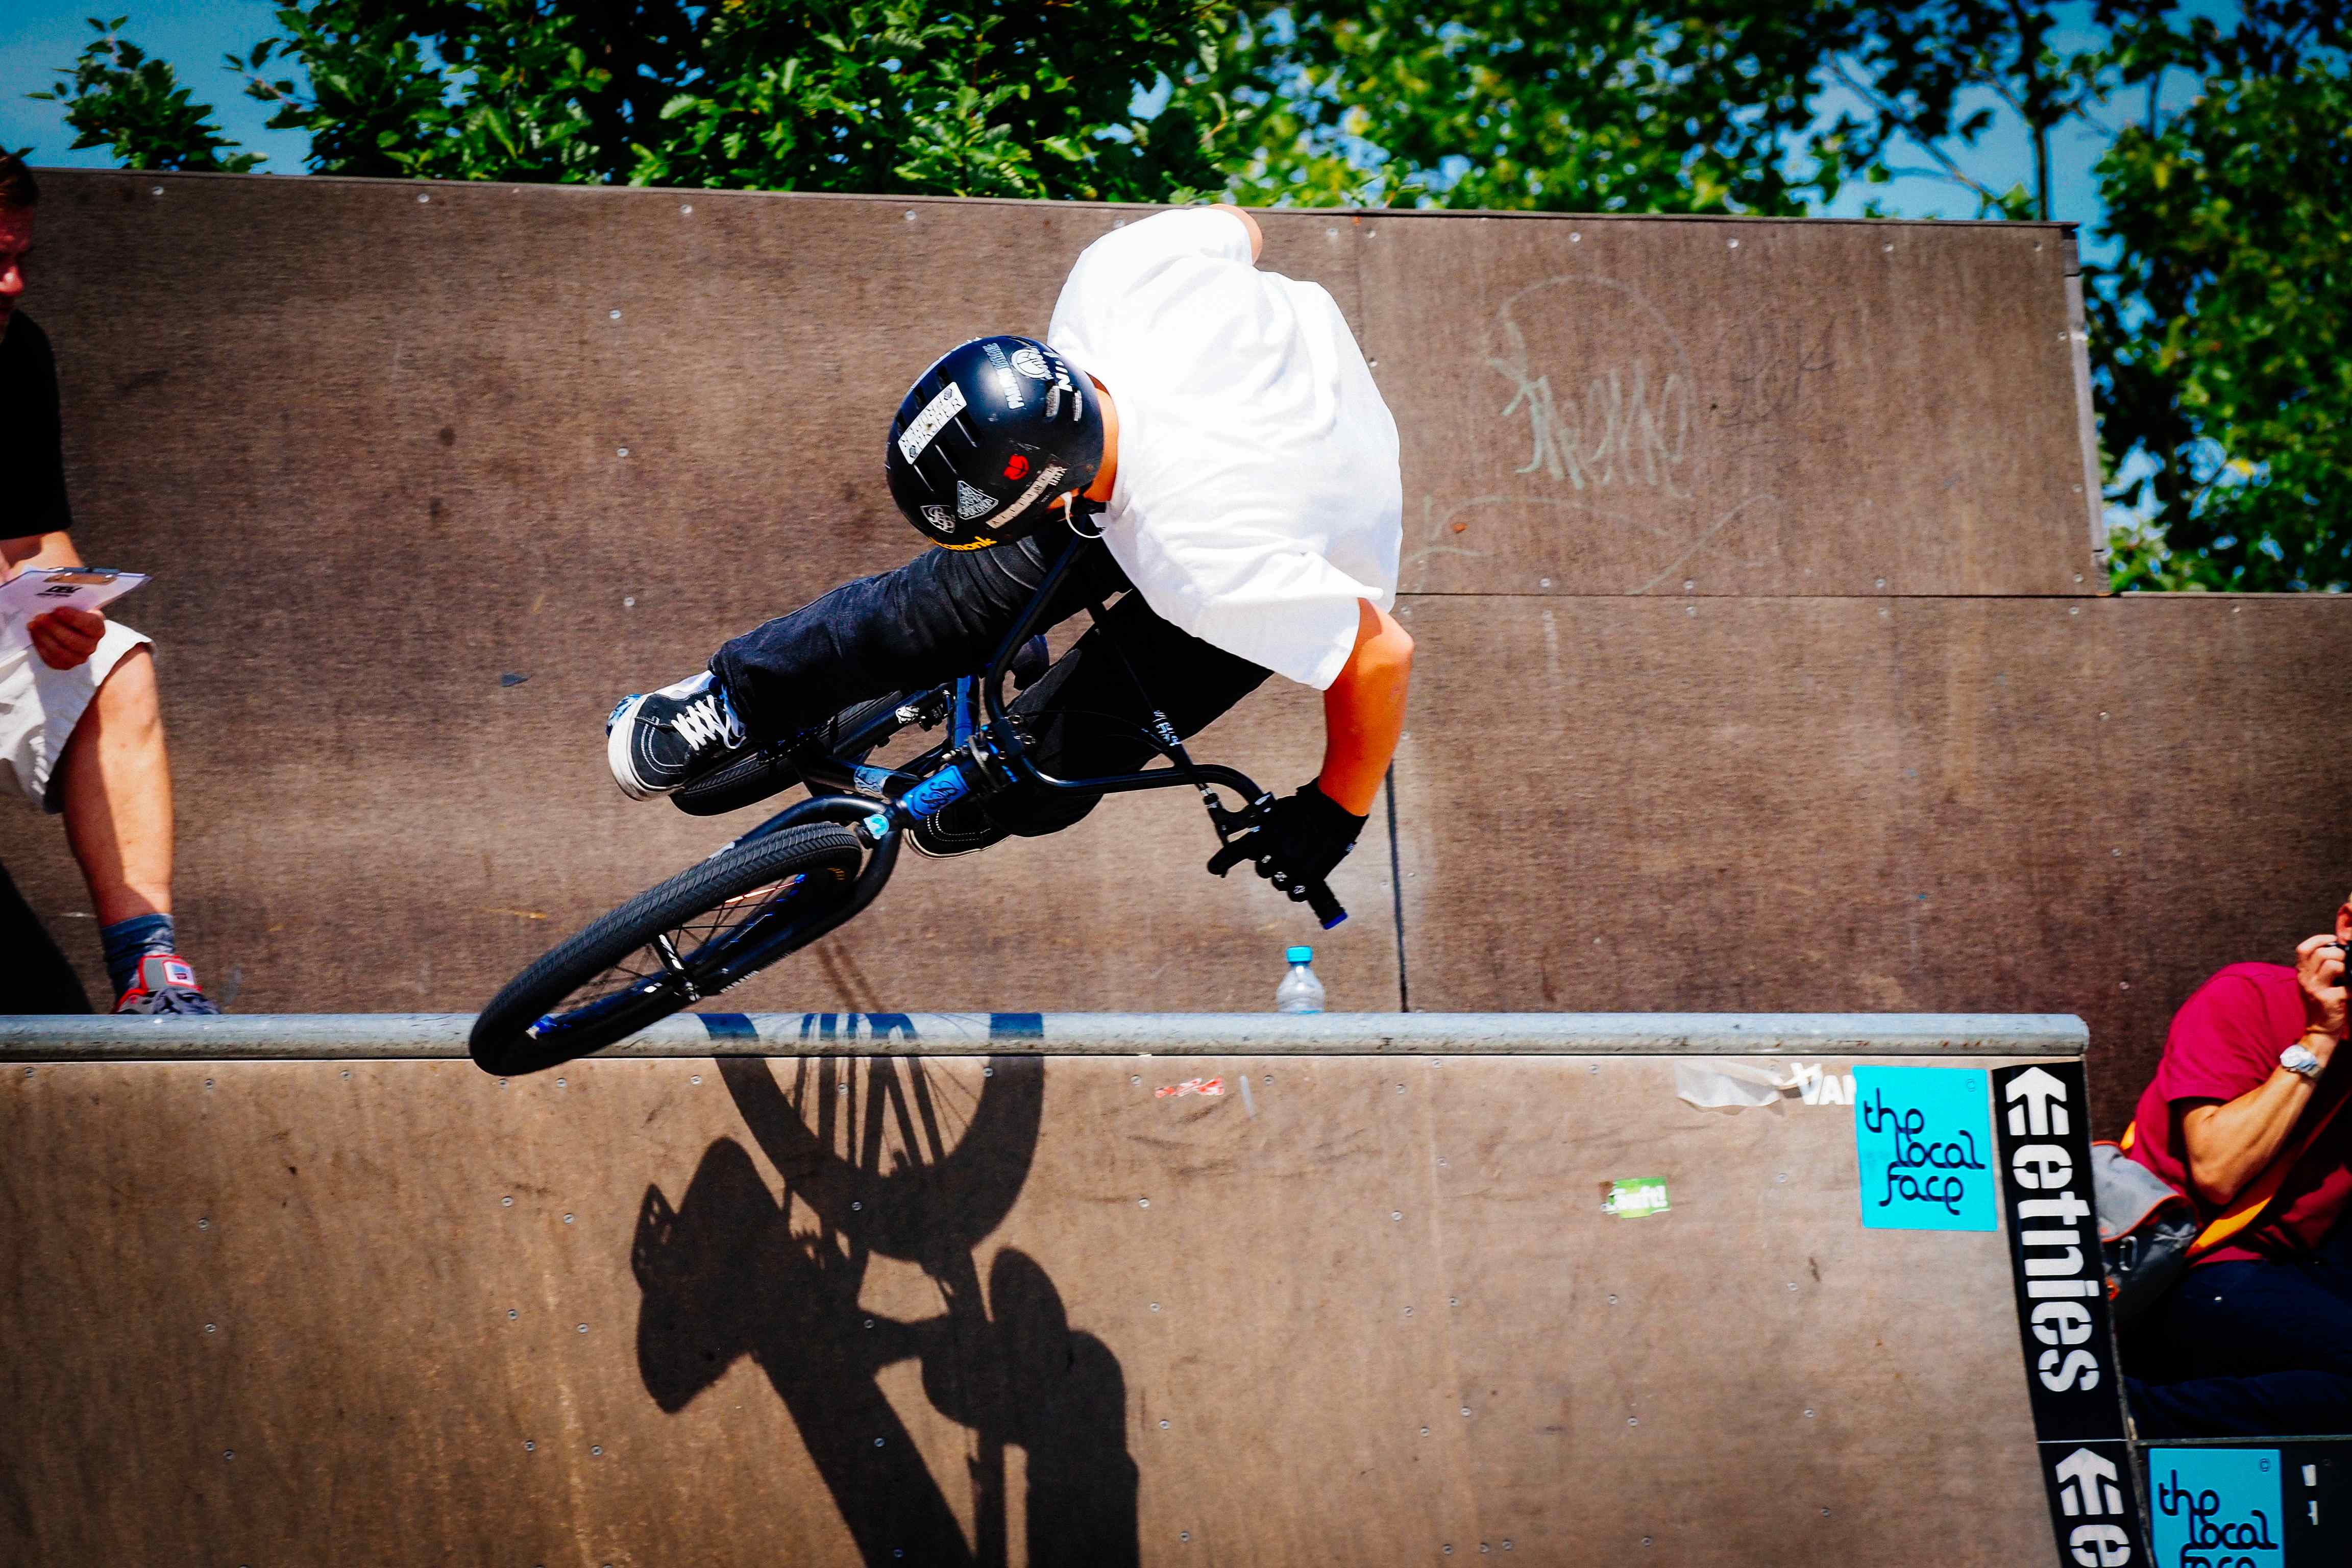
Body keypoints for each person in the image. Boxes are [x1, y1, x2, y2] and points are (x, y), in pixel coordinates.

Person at [606, 204, 1411, 898]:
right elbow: (1241, 230)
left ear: (1052, 496)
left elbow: (1380, 655)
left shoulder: (1217, 567)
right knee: (933, 610)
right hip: (1207, 455)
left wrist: (1335, 811)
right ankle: (734, 699)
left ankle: (997, 777)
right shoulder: (1115, 281)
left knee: (1061, 761)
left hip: (1296, 540)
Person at [0, 154, 217, 1014]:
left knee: (117, 665)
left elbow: (32, 538)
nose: (13, 283)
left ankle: (149, 972)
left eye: (20, 258)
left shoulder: (17, 353)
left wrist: (63, 608)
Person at [2119, 909, 2352, 1436]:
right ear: (2346, 927)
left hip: (2307, 1267)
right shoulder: (2245, 995)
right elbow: (2218, 1170)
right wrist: (2320, 1037)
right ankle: (2130, 1418)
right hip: (2193, 1264)